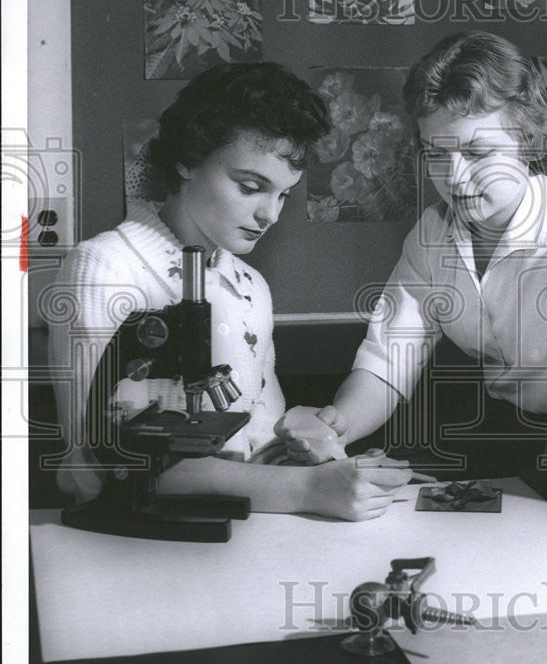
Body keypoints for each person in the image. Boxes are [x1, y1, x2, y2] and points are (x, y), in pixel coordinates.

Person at [278, 31, 547, 476]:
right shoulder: (433, 235)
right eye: (436, 153)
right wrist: (334, 427)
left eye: (478, 152)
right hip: (510, 427)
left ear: (528, 141)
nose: (454, 178)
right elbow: (387, 362)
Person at [49, 62, 413, 521]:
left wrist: (316, 451)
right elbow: (95, 471)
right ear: (186, 159)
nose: (270, 215)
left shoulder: (250, 289)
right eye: (250, 187)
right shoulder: (104, 268)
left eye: (283, 195)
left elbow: (257, 453)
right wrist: (305, 489)